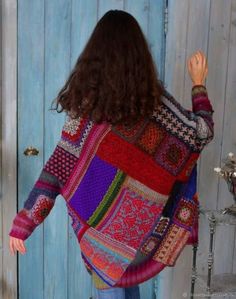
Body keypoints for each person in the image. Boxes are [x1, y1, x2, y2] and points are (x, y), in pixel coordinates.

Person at [8, 10, 214, 299]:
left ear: (95, 57)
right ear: (139, 57)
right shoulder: (154, 106)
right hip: (139, 234)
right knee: (129, 292)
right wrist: (198, 84)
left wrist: (24, 223)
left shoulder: (86, 111)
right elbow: (201, 132)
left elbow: (54, 172)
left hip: (102, 237)